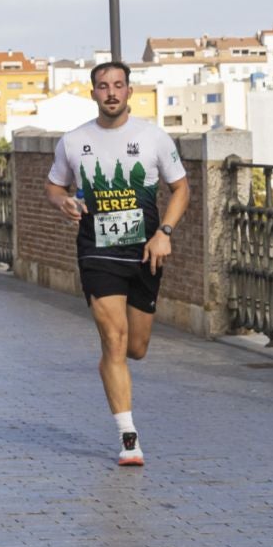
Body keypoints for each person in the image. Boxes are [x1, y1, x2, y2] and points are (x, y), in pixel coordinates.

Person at [45, 61, 190, 467]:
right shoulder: (74, 142)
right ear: (93, 92)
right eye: (103, 86)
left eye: (118, 86)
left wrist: (165, 232)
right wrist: (63, 201)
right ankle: (128, 436)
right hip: (97, 251)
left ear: (129, 92)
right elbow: (54, 184)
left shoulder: (153, 137)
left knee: (137, 348)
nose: (111, 92)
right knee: (113, 340)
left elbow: (180, 189)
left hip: (144, 251)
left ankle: (126, 416)